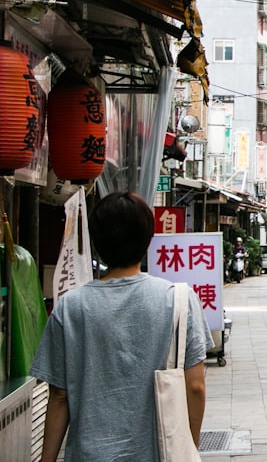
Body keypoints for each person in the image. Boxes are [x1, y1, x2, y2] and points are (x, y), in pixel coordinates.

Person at [31, 191, 214, 462]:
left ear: (97, 241)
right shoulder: (178, 299)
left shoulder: (70, 307)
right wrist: (189, 447)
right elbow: (195, 386)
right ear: (147, 239)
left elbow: (59, 395)